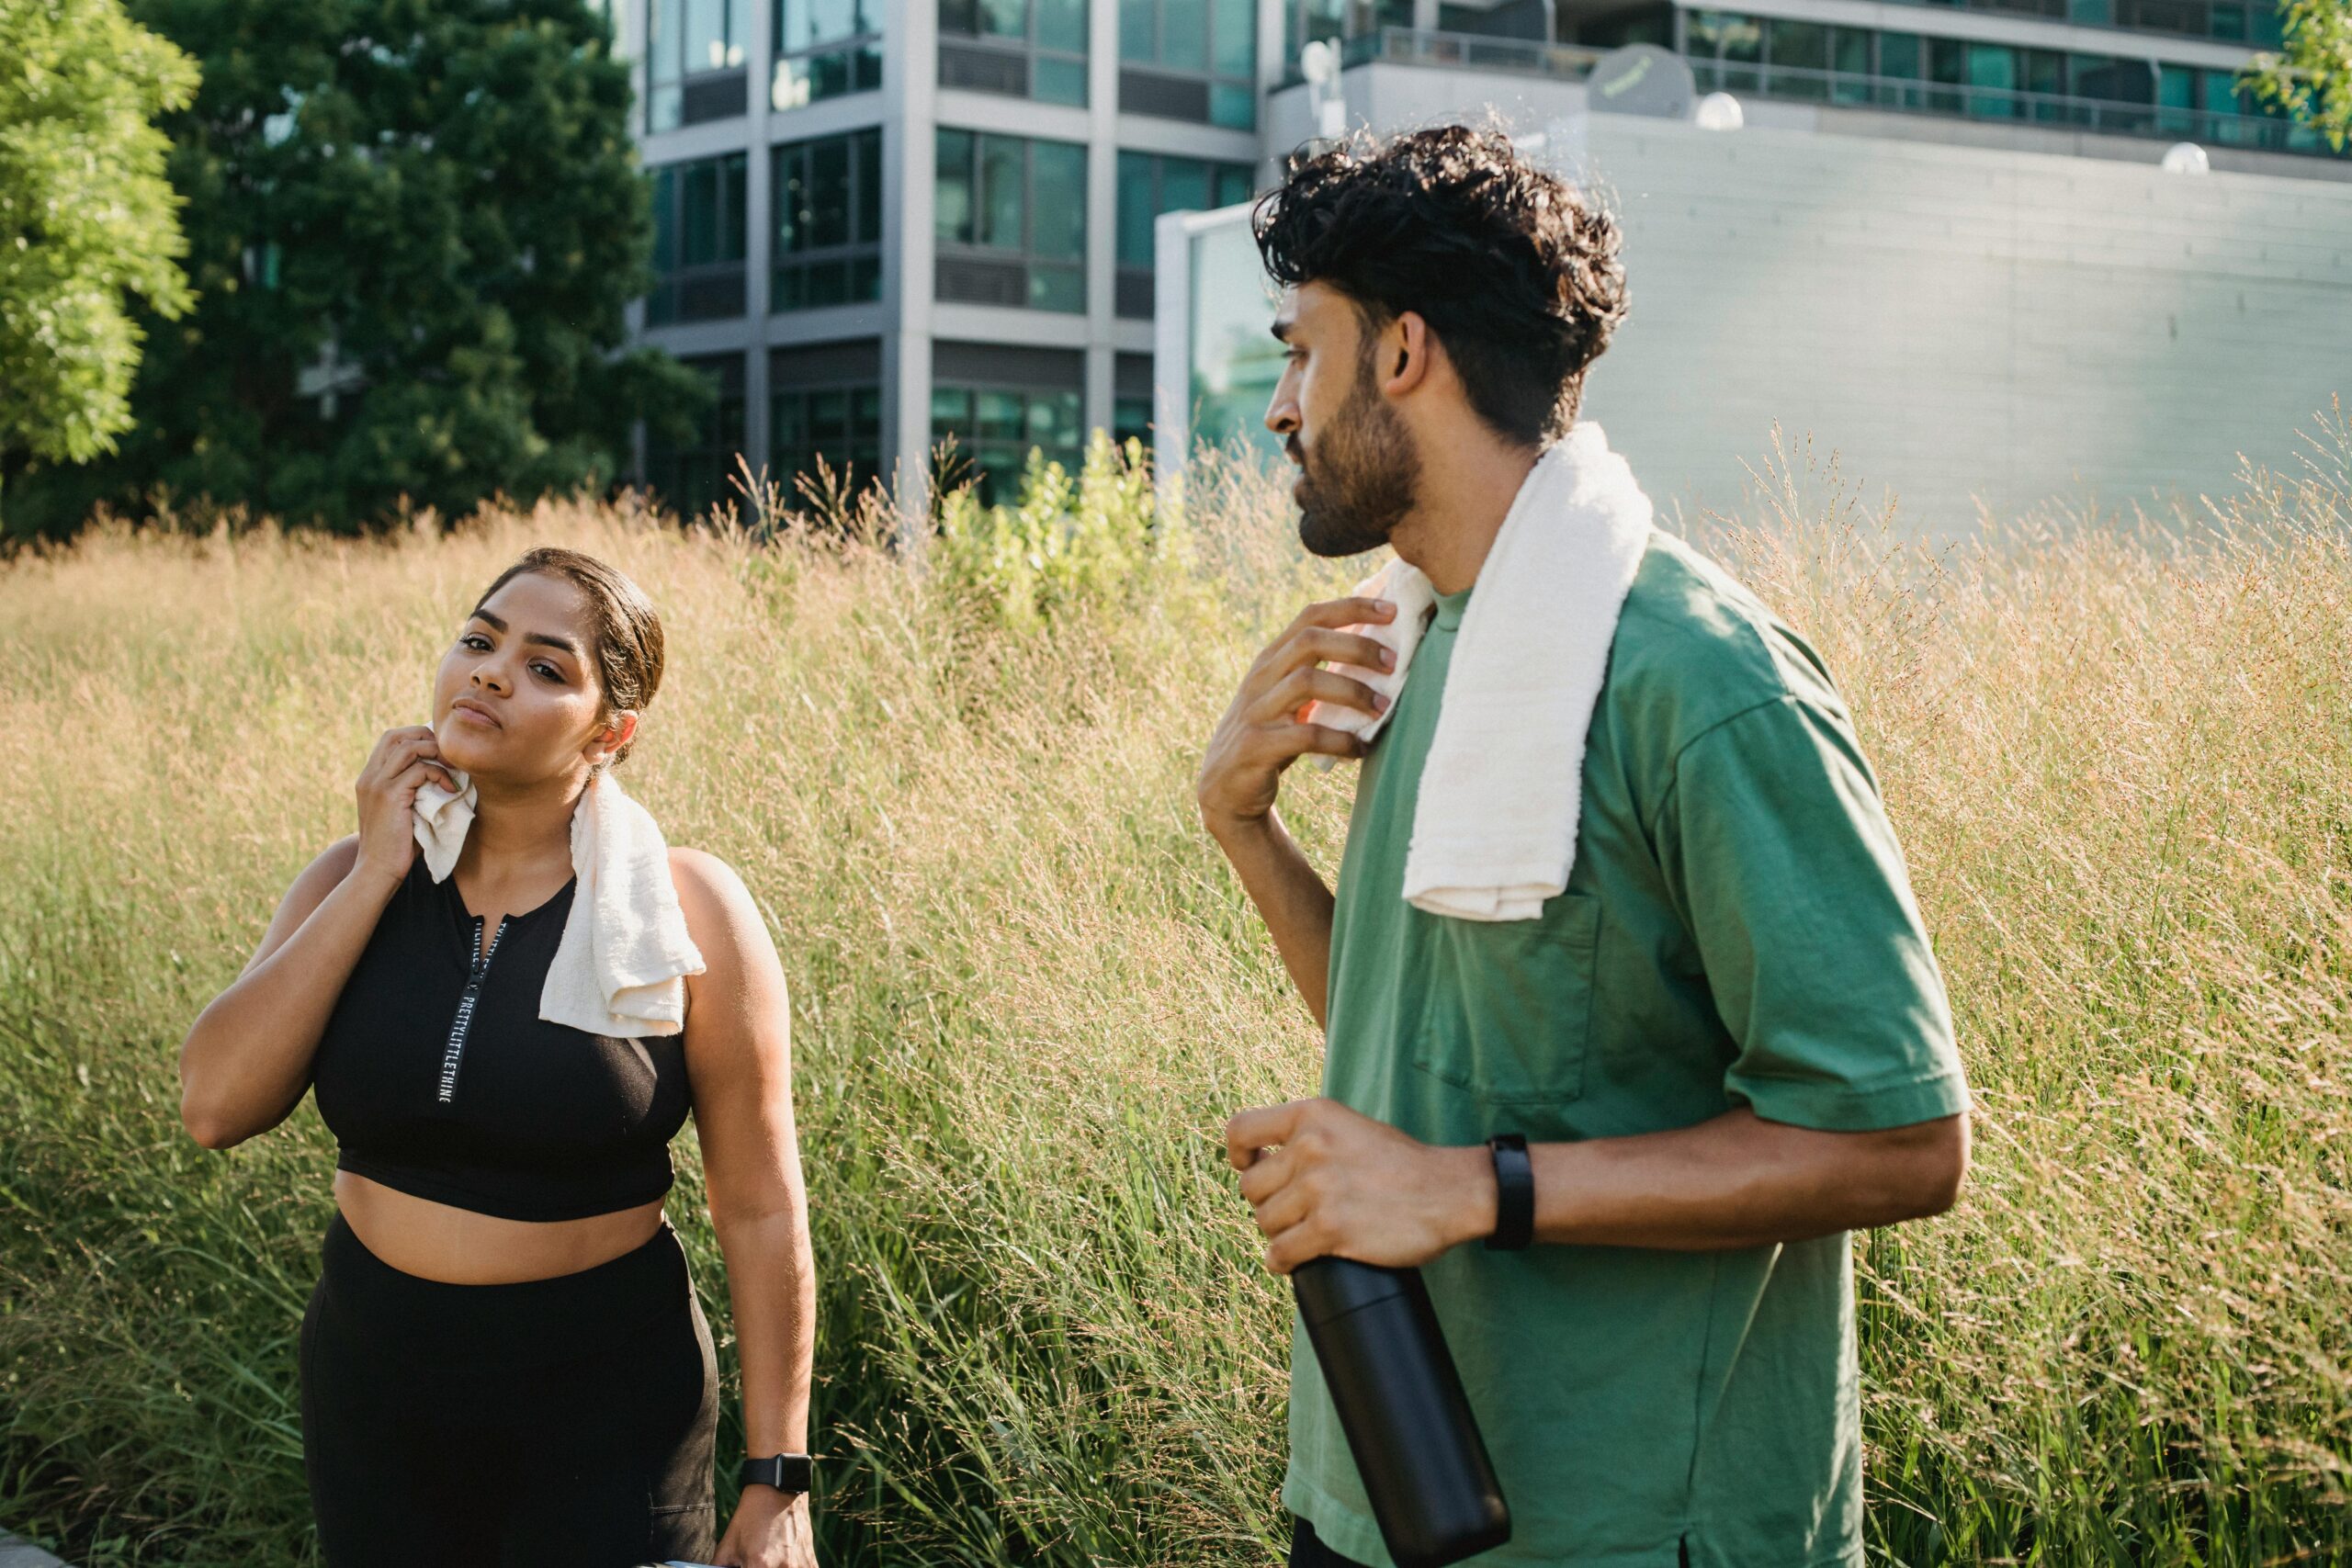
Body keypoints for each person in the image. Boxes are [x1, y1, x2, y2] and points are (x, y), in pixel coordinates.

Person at [1200, 127, 1972, 1567]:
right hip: (1379, 1486)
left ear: (1406, 352)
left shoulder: (1702, 680)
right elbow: (1444, 1040)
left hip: (1623, 1523)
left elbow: (1902, 1138)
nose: (1280, 411)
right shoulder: (1424, 644)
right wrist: (1243, 826)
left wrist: (1468, 1190)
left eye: (1302, 354)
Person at [176, 547, 818, 1568]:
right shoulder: (352, 877)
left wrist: (777, 1477)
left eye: (546, 667)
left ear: (613, 732)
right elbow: (214, 1105)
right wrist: (378, 865)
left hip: (606, 1407)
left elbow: (760, 1202)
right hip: (374, 1385)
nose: (489, 672)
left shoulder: (689, 912)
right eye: (479, 640)